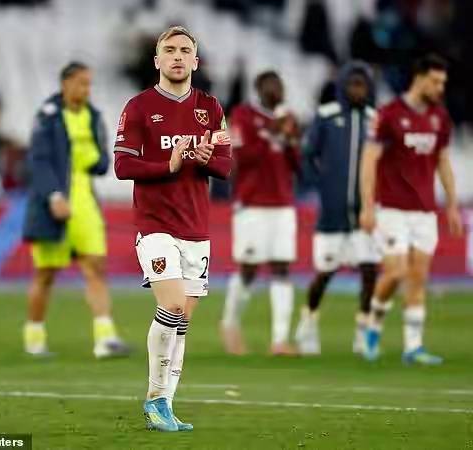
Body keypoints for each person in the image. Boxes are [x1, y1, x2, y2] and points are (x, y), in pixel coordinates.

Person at [114, 26, 232, 432]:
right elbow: (123, 166)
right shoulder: (138, 107)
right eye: (170, 50)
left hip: (196, 228)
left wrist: (204, 157)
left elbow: (225, 165)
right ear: (157, 60)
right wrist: (169, 164)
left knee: (182, 323)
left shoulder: (210, 107)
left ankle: (165, 404)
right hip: (155, 225)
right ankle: (154, 399)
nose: (177, 56)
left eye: (185, 50)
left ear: (195, 61)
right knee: (174, 306)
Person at [22, 62, 130, 359]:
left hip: (85, 200)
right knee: (46, 274)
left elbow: (101, 160)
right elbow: (38, 161)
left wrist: (101, 159)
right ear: (66, 83)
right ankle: (34, 336)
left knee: (95, 266)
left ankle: (105, 338)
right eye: (82, 83)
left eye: (89, 84)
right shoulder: (48, 116)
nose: (87, 89)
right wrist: (54, 196)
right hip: (53, 201)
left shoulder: (93, 116)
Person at [360, 54, 462, 365]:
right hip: (392, 210)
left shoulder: (439, 118)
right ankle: (373, 325)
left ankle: (413, 347)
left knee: (418, 278)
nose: (440, 88)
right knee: (396, 272)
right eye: (436, 81)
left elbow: (443, 162)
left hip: (425, 211)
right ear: (419, 78)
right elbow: (369, 161)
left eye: (443, 82)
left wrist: (452, 205)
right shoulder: (388, 114)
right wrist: (367, 206)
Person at [295, 61, 380, 355]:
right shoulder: (327, 115)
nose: (358, 90)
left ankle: (362, 330)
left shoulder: (374, 119)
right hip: (332, 214)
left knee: (369, 271)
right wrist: (321, 183)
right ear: (343, 86)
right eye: (353, 85)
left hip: (364, 213)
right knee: (325, 272)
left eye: (362, 85)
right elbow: (307, 154)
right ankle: (308, 320)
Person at [220, 71, 301, 356]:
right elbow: (240, 159)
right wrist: (271, 132)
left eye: (280, 86)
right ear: (259, 89)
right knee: (249, 267)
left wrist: (291, 140)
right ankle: (230, 324)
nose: (277, 90)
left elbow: (297, 165)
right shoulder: (242, 116)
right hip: (251, 203)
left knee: (282, 268)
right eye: (271, 86)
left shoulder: (288, 118)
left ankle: (279, 340)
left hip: (282, 203)